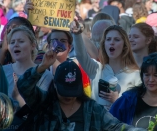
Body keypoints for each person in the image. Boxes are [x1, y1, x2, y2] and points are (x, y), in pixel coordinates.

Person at [17, 55, 145, 130]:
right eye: (65, 91)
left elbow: (117, 127)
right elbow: (23, 85)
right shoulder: (43, 102)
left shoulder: (93, 109)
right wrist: (42, 66)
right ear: (55, 85)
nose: (69, 96)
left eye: (73, 91)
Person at [71, 19, 140, 109]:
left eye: (117, 39)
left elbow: (138, 108)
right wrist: (77, 34)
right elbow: (80, 55)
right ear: (104, 45)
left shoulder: (136, 75)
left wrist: (117, 100)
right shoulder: (96, 69)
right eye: (108, 39)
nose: (112, 42)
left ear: (125, 46)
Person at [110, 52, 157, 130]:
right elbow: (109, 124)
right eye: (147, 75)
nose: (151, 80)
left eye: (156, 75)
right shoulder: (127, 100)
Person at [4, 26, 53, 107]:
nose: (16, 45)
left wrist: (17, 97)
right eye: (12, 42)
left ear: (33, 45)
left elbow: (42, 109)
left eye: (21, 41)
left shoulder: (45, 75)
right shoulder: (2, 71)